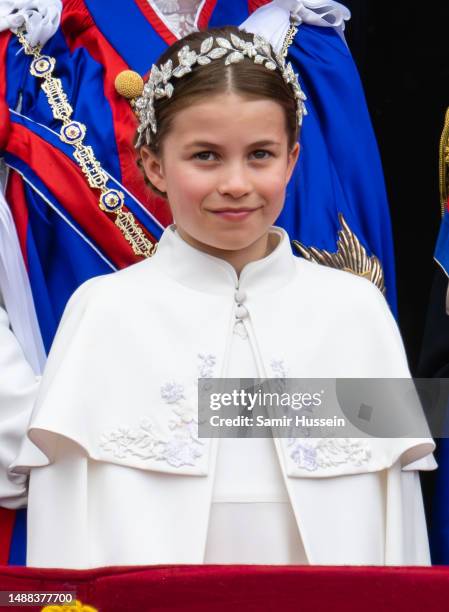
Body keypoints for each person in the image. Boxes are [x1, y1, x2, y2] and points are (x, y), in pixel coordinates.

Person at [13, 24, 435, 569]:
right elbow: (60, 528)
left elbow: (398, 529)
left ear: (292, 159)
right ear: (154, 164)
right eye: (206, 156)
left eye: (260, 154)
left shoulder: (358, 312)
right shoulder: (102, 312)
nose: (236, 183)